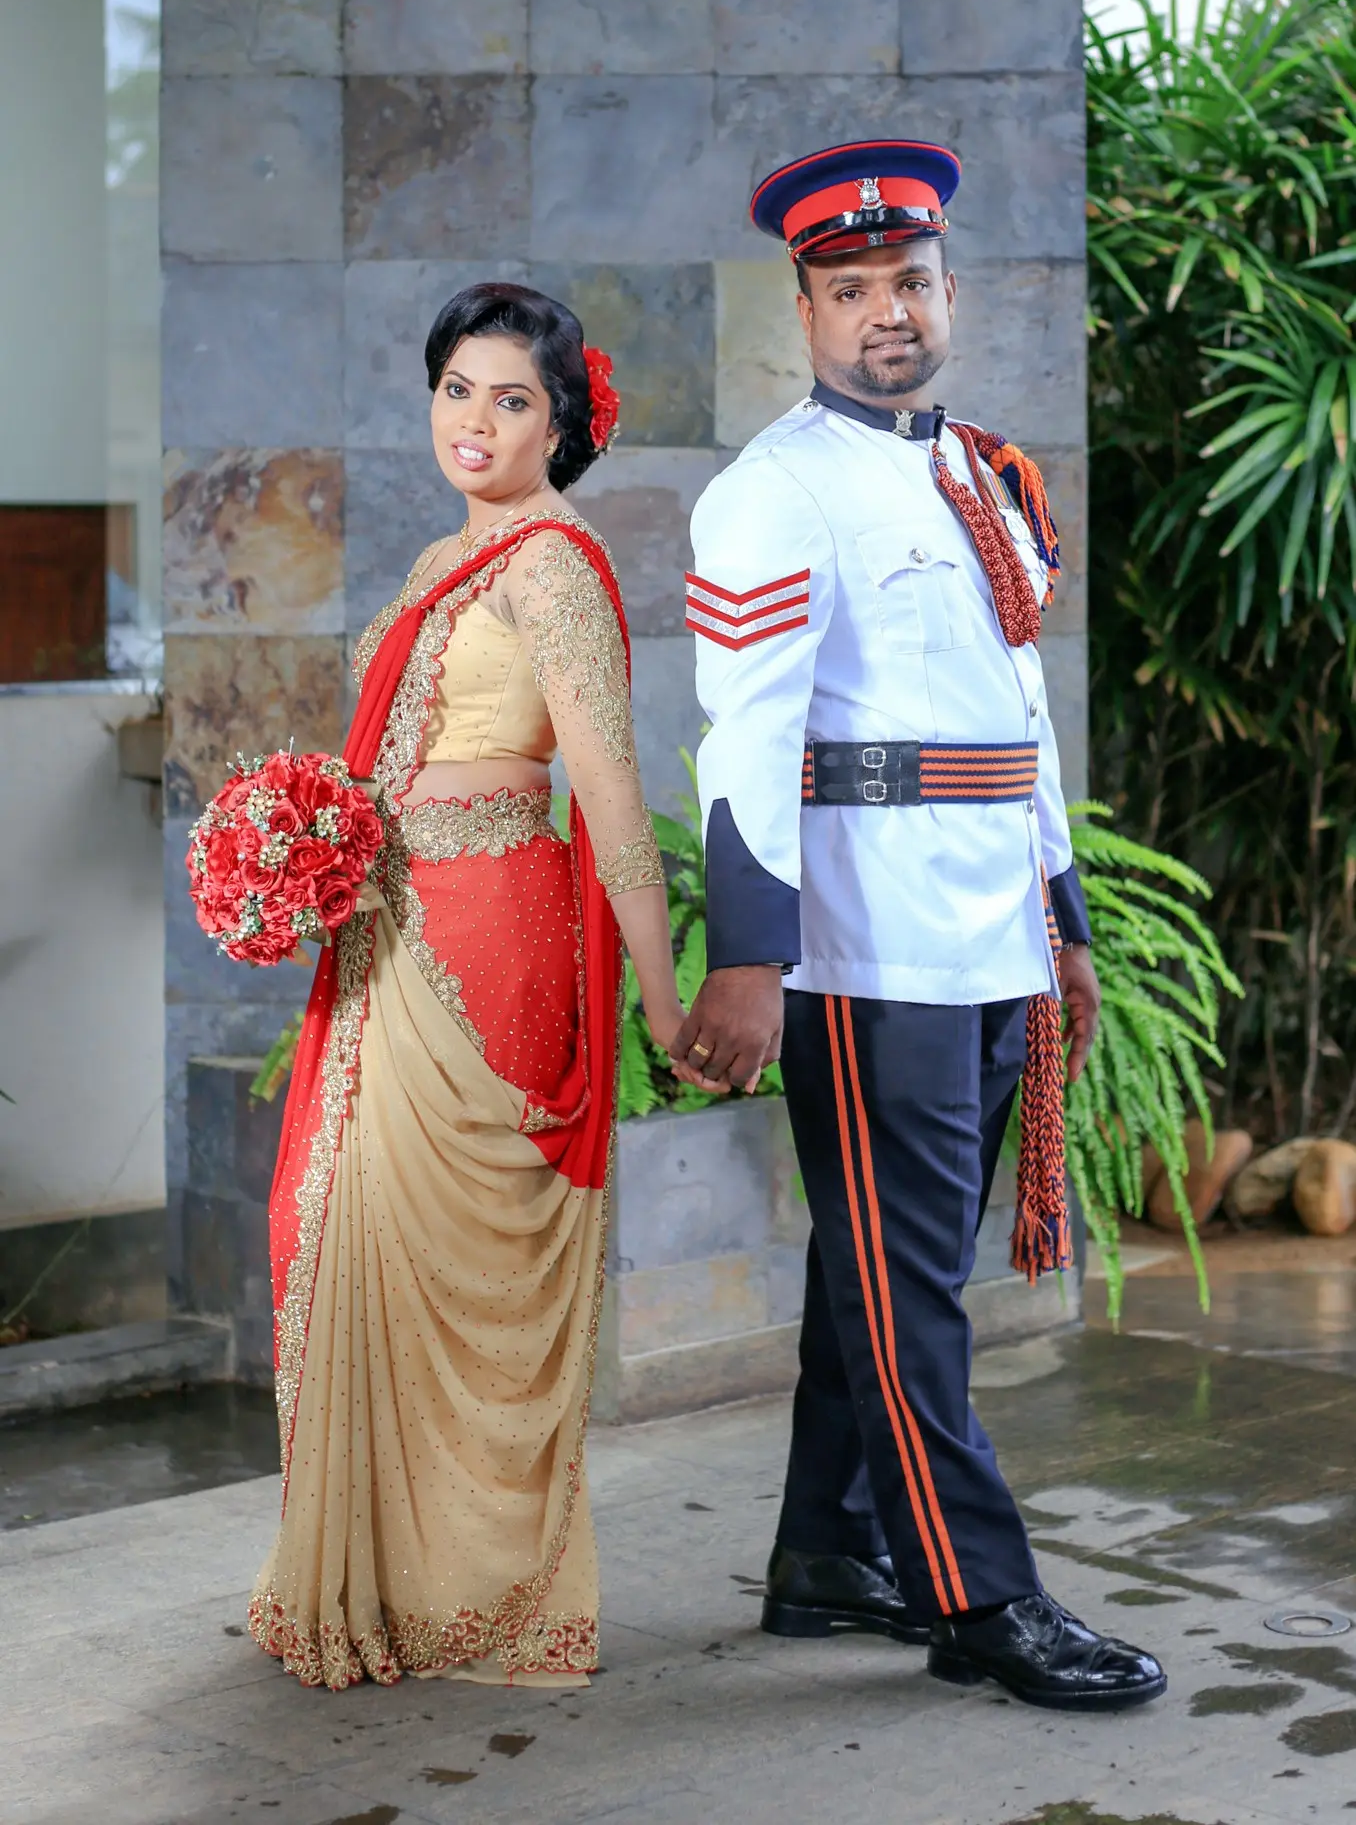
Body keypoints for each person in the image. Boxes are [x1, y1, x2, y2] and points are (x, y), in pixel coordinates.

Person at [670, 143, 1167, 1712]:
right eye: (851, 288)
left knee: (887, 1272)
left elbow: (1019, 722)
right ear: (806, 308)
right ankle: (981, 1596)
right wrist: (750, 955)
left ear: (951, 292)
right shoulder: (772, 490)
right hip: (861, 945)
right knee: (912, 1286)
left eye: (910, 283)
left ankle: (829, 1549)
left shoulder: (988, 480)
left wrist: (1066, 918)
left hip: (989, 931)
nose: (888, 310)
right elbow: (742, 736)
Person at [250, 283, 714, 1690]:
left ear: (560, 423)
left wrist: (660, 994)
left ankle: (467, 1588)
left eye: (513, 398)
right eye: (460, 387)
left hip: (489, 938)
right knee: (336, 1228)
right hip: (390, 927)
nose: (479, 418)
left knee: (455, 1256)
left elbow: (612, 789)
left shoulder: (550, 569)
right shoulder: (447, 556)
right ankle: (379, 1571)